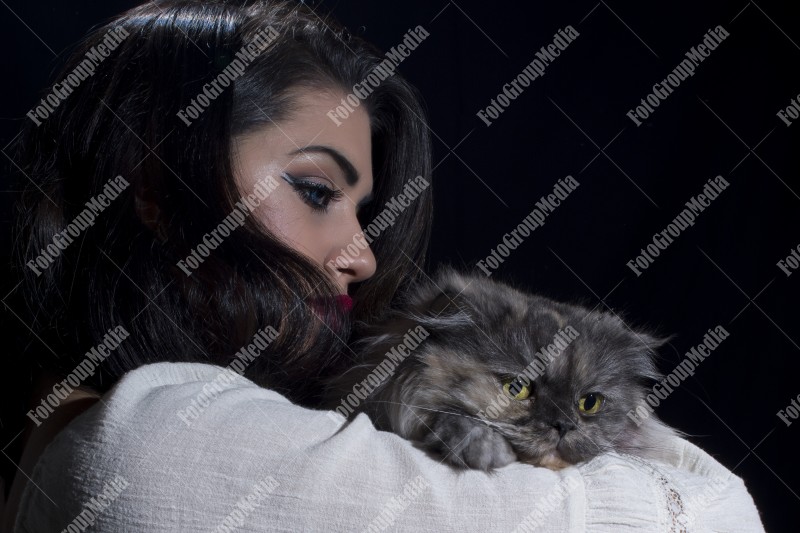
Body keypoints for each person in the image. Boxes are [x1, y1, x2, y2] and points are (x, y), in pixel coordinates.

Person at [4, 1, 764, 531]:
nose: (362, 255)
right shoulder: (158, 441)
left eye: (363, 211)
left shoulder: (77, 437)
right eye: (314, 190)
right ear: (156, 183)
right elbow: (717, 518)